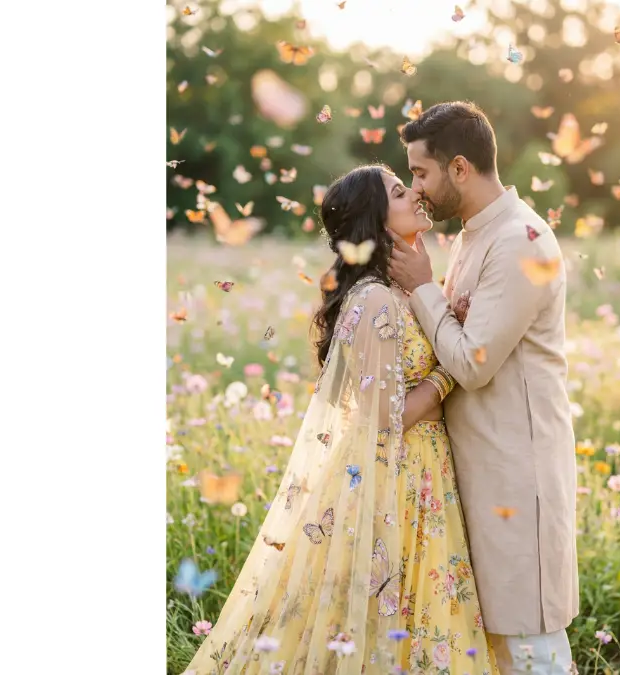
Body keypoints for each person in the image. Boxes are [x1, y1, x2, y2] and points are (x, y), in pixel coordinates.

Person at [182, 164, 499, 675]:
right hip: (393, 476)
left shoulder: (399, 291)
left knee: (418, 613)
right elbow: (384, 417)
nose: (416, 196)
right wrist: (448, 375)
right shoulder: (373, 298)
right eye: (400, 192)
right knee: (375, 614)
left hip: (423, 473)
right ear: (377, 218)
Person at [387, 101, 580, 675]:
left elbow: (472, 364)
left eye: (421, 173)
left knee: (530, 647)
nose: (417, 190)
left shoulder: (521, 240)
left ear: (460, 168)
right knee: (494, 646)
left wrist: (423, 287)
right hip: (479, 471)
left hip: (517, 475)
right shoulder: (475, 236)